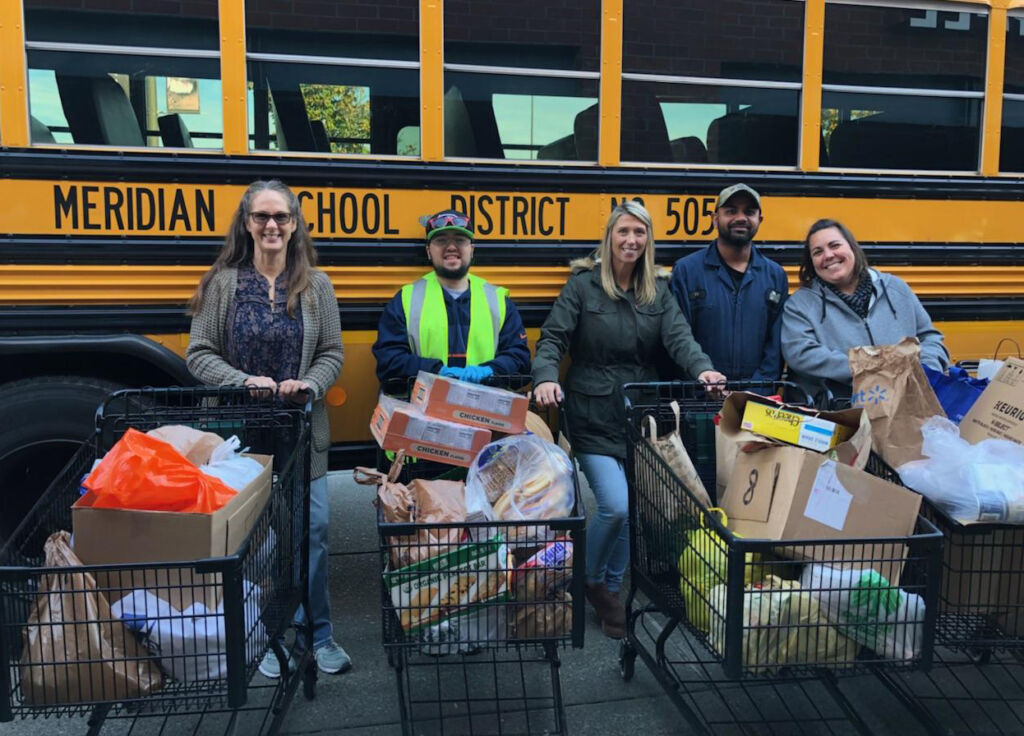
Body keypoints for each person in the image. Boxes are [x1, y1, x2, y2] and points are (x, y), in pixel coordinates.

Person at [532, 202, 726, 640]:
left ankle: (611, 593)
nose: (631, 241)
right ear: (610, 236)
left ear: (648, 240)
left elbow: (680, 339)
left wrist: (704, 370)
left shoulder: (657, 290)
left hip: (638, 415)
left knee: (634, 508)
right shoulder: (583, 286)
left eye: (640, 233)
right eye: (623, 231)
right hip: (590, 413)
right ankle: (590, 579)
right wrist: (545, 378)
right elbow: (553, 338)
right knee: (615, 505)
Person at [185, 179, 349, 677]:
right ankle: (271, 634)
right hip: (243, 436)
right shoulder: (223, 284)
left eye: (281, 216)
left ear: (295, 224)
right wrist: (242, 380)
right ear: (247, 224)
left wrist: (311, 385)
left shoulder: (316, 285)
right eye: (262, 217)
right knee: (256, 539)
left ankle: (318, 633)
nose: (272, 225)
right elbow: (198, 354)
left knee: (312, 530)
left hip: (300, 432)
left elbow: (332, 353)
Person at [782, 218, 949, 402]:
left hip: (906, 404)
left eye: (834, 245)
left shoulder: (896, 288)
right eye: (817, 252)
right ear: (811, 262)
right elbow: (801, 353)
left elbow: (930, 337)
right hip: (842, 411)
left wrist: (926, 370)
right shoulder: (800, 305)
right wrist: (869, 366)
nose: (828, 255)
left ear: (852, 247)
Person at [373, 209, 531, 387]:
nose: (451, 247)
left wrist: (490, 371)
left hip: (483, 408)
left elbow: (520, 359)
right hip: (423, 409)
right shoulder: (406, 300)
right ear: (428, 251)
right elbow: (389, 360)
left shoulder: (498, 300)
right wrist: (436, 371)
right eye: (441, 241)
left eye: (460, 240)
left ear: (471, 250)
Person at [670, 184, 788, 382]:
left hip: (755, 402)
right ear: (715, 219)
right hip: (698, 400)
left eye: (749, 212)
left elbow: (775, 347)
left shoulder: (775, 276)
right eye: (731, 211)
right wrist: (701, 383)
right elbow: (678, 338)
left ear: (760, 220)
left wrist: (756, 391)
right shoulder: (687, 271)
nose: (740, 218)